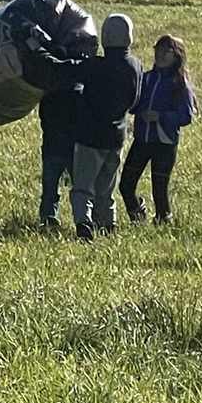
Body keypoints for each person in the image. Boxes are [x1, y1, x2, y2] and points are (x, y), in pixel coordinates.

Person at [70, 14, 144, 241]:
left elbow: (65, 72)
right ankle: (108, 225)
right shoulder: (135, 65)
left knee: (83, 186)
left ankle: (84, 223)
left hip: (90, 136)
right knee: (106, 187)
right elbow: (134, 103)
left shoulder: (96, 67)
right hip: (117, 136)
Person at [121, 34, 197, 224]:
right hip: (142, 140)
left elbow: (186, 116)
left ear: (177, 56)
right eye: (158, 49)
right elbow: (133, 104)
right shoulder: (145, 78)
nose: (160, 54)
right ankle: (138, 215)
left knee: (160, 190)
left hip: (165, 144)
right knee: (126, 185)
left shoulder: (180, 85)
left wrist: (160, 117)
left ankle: (163, 224)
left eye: (166, 51)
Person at [36, 78, 81, 230]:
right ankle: (82, 218)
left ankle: (48, 218)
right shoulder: (79, 93)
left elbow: (43, 117)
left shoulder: (49, 94)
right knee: (79, 188)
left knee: (50, 188)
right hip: (73, 147)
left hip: (52, 146)